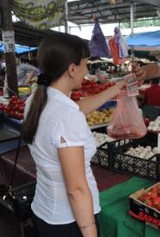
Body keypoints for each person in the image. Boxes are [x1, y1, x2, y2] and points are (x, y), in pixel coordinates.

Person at [21, 32, 126, 237]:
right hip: (69, 221)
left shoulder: (36, 99)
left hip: (44, 210)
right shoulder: (66, 117)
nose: (86, 71)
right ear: (71, 69)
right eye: (85, 64)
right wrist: (90, 233)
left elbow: (77, 109)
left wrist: (117, 88)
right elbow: (76, 189)